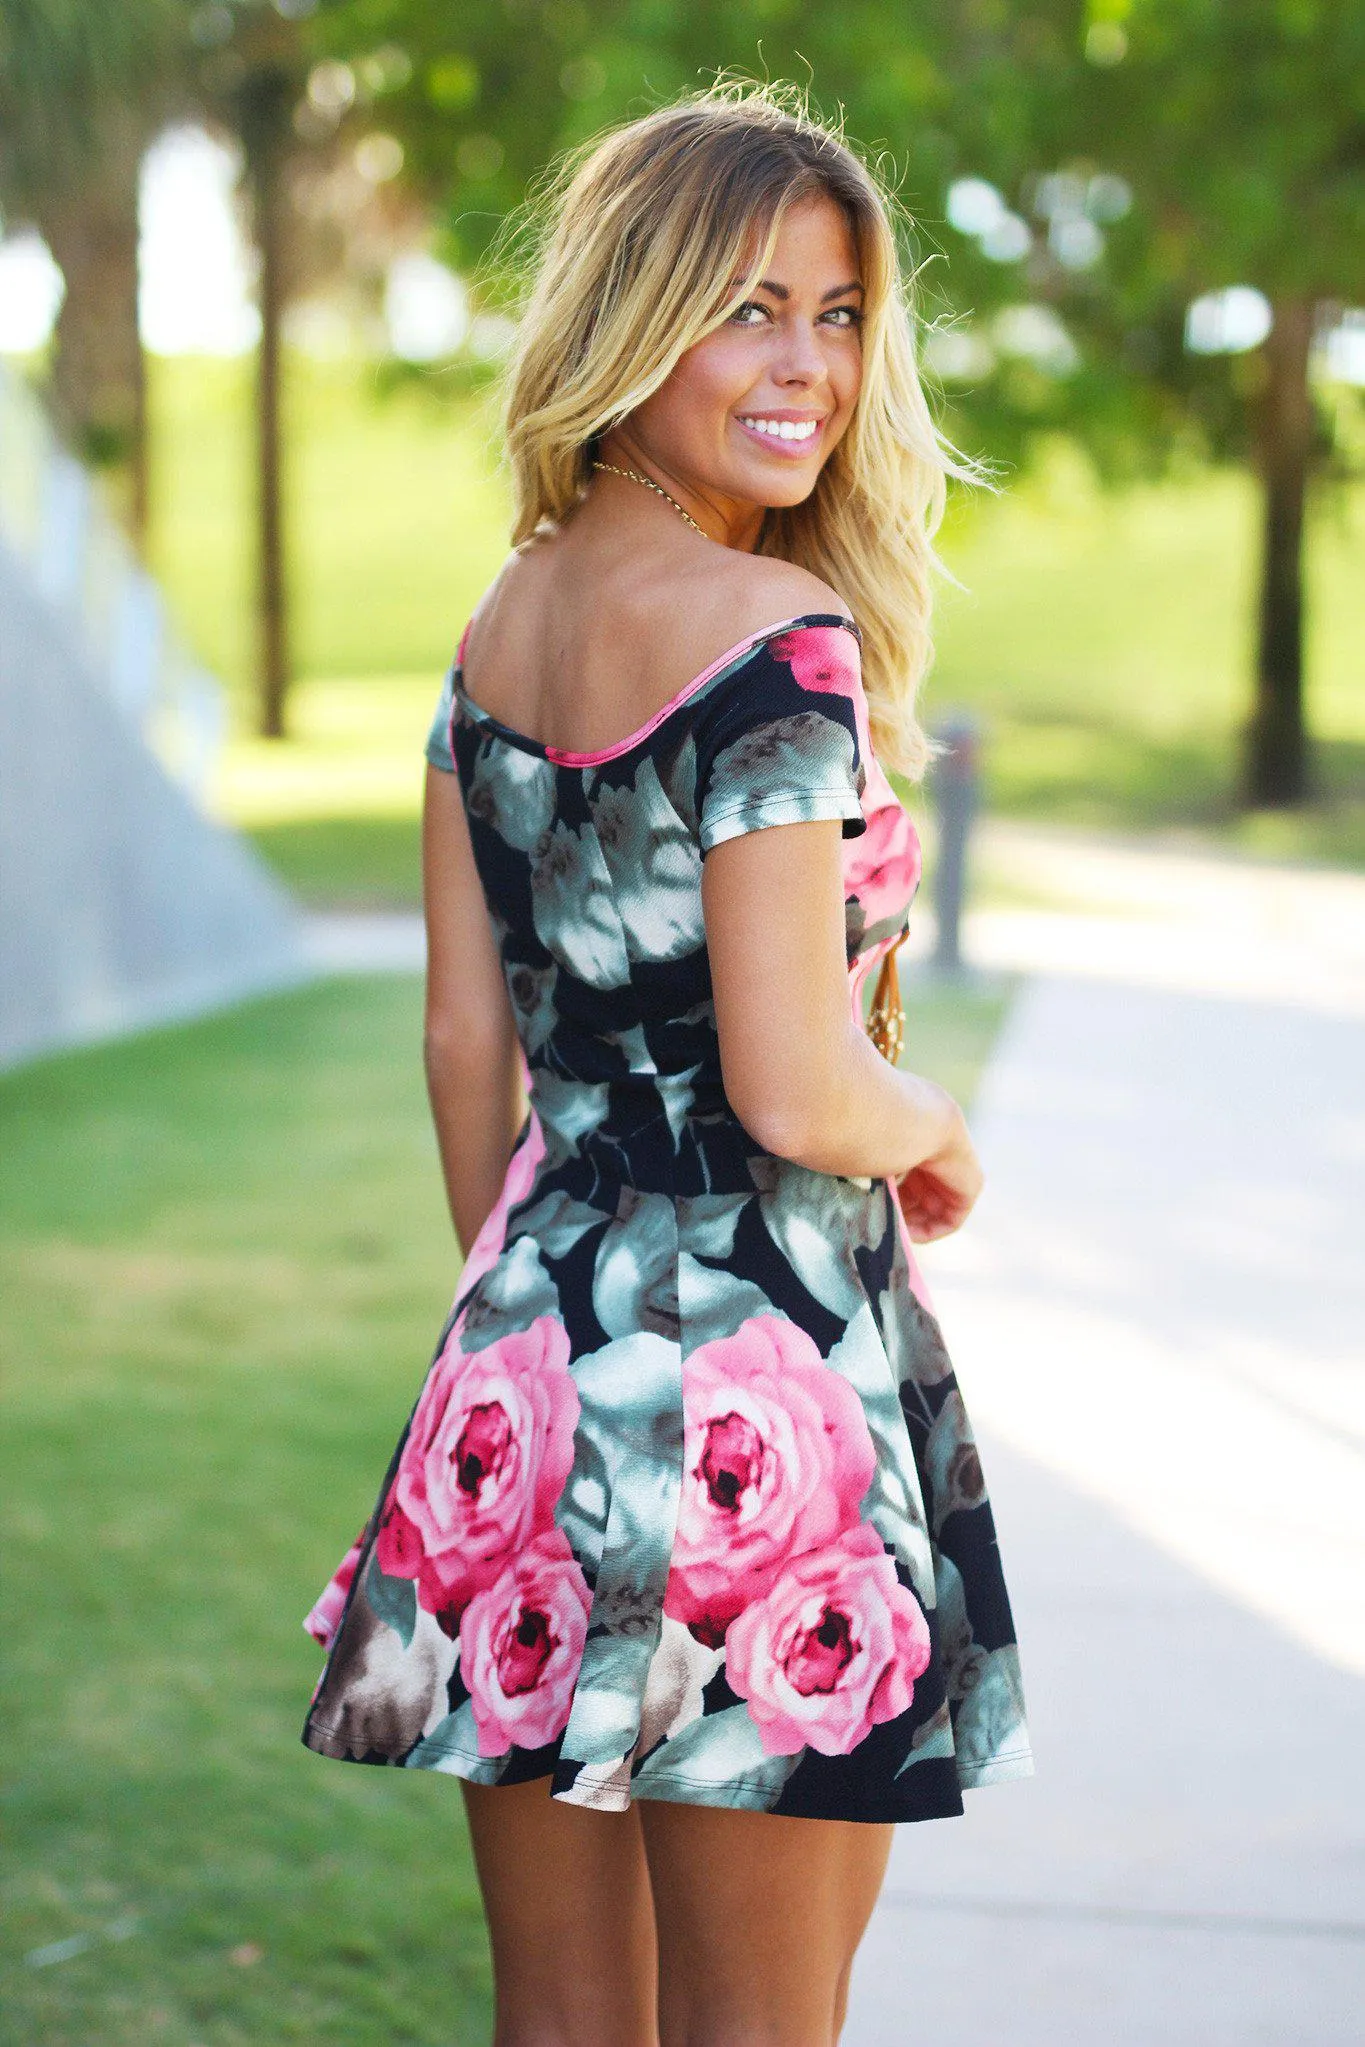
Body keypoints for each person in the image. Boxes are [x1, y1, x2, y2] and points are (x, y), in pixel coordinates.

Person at [301, 83, 1032, 2047]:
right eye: (748, 308)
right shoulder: (772, 639)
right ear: (632, 317)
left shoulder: (497, 623)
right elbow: (802, 1092)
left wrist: (538, 1350)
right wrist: (932, 1124)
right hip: (758, 1406)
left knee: (558, 2026)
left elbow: (469, 1043)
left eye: (840, 311)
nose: (807, 365)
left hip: (516, 1380)